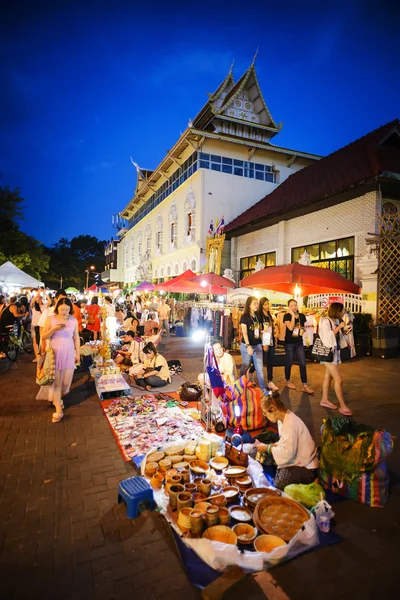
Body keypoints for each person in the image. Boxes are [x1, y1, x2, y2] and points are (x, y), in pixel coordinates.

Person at [256, 392, 319, 490]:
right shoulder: (283, 419)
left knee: (280, 482)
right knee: (256, 452)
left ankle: (309, 478)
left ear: (273, 409)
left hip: (306, 468)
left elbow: (288, 453)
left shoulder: (291, 423)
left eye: (265, 413)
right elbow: (284, 443)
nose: (266, 416)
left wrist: (268, 448)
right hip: (291, 457)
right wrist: (271, 446)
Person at [41, 298, 80, 423]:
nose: (64, 312)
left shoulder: (73, 320)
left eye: (67, 309)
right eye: (62, 309)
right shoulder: (50, 319)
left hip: (69, 352)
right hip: (55, 354)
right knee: (57, 383)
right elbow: (43, 336)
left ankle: (58, 399)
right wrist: (54, 329)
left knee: (66, 384)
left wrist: (78, 353)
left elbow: (76, 337)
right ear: (57, 307)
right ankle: (58, 410)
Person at [319, 302, 353, 416]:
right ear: (337, 311)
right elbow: (327, 338)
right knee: (339, 380)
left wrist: (345, 331)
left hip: (334, 354)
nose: (343, 312)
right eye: (342, 310)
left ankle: (324, 399)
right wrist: (339, 327)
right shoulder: (325, 321)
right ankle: (343, 406)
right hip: (327, 354)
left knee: (328, 377)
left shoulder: (337, 321)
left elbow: (338, 335)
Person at [283, 299, 314, 394]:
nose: (294, 307)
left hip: (299, 342)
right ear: (289, 307)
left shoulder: (301, 316)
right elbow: (291, 327)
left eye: (295, 305)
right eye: (292, 306)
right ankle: (288, 380)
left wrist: (303, 329)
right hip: (289, 342)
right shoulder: (287, 316)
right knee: (289, 362)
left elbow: (302, 326)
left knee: (302, 362)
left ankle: (304, 384)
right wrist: (292, 316)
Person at [240, 296, 268, 395]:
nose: (257, 305)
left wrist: (263, 334)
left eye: (257, 303)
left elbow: (258, 330)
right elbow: (245, 333)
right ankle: (240, 384)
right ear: (249, 305)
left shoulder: (257, 316)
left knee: (259, 368)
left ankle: (263, 389)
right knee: (246, 365)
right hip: (247, 345)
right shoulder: (244, 317)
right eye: (254, 303)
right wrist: (248, 346)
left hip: (258, 345)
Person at [258, 297, 279, 391]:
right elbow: (258, 331)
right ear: (261, 305)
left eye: (268, 304)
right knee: (260, 361)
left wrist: (275, 339)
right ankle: (250, 372)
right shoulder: (259, 316)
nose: (267, 306)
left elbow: (272, 328)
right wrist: (263, 343)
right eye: (265, 304)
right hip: (263, 341)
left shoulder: (270, 315)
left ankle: (270, 381)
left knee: (271, 361)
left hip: (270, 340)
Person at [31, 292, 46, 361]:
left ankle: (41, 355)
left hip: (41, 325)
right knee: (35, 341)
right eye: (38, 299)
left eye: (40, 298)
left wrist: (45, 294)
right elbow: (32, 302)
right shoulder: (33, 307)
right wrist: (36, 295)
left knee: (41, 340)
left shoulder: (44, 306)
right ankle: (37, 356)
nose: (39, 300)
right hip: (34, 325)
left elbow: (49, 302)